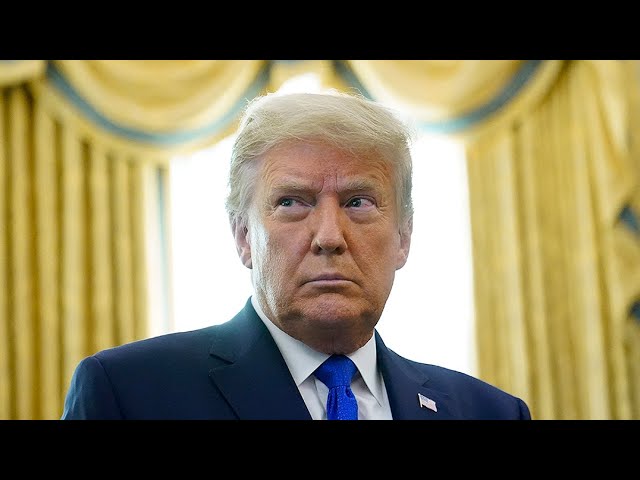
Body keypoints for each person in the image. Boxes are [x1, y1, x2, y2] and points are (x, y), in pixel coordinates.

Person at [61, 90, 532, 420]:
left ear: (404, 236)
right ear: (244, 236)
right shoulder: (129, 393)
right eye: (292, 202)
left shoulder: (490, 412)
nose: (329, 236)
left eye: (358, 202)